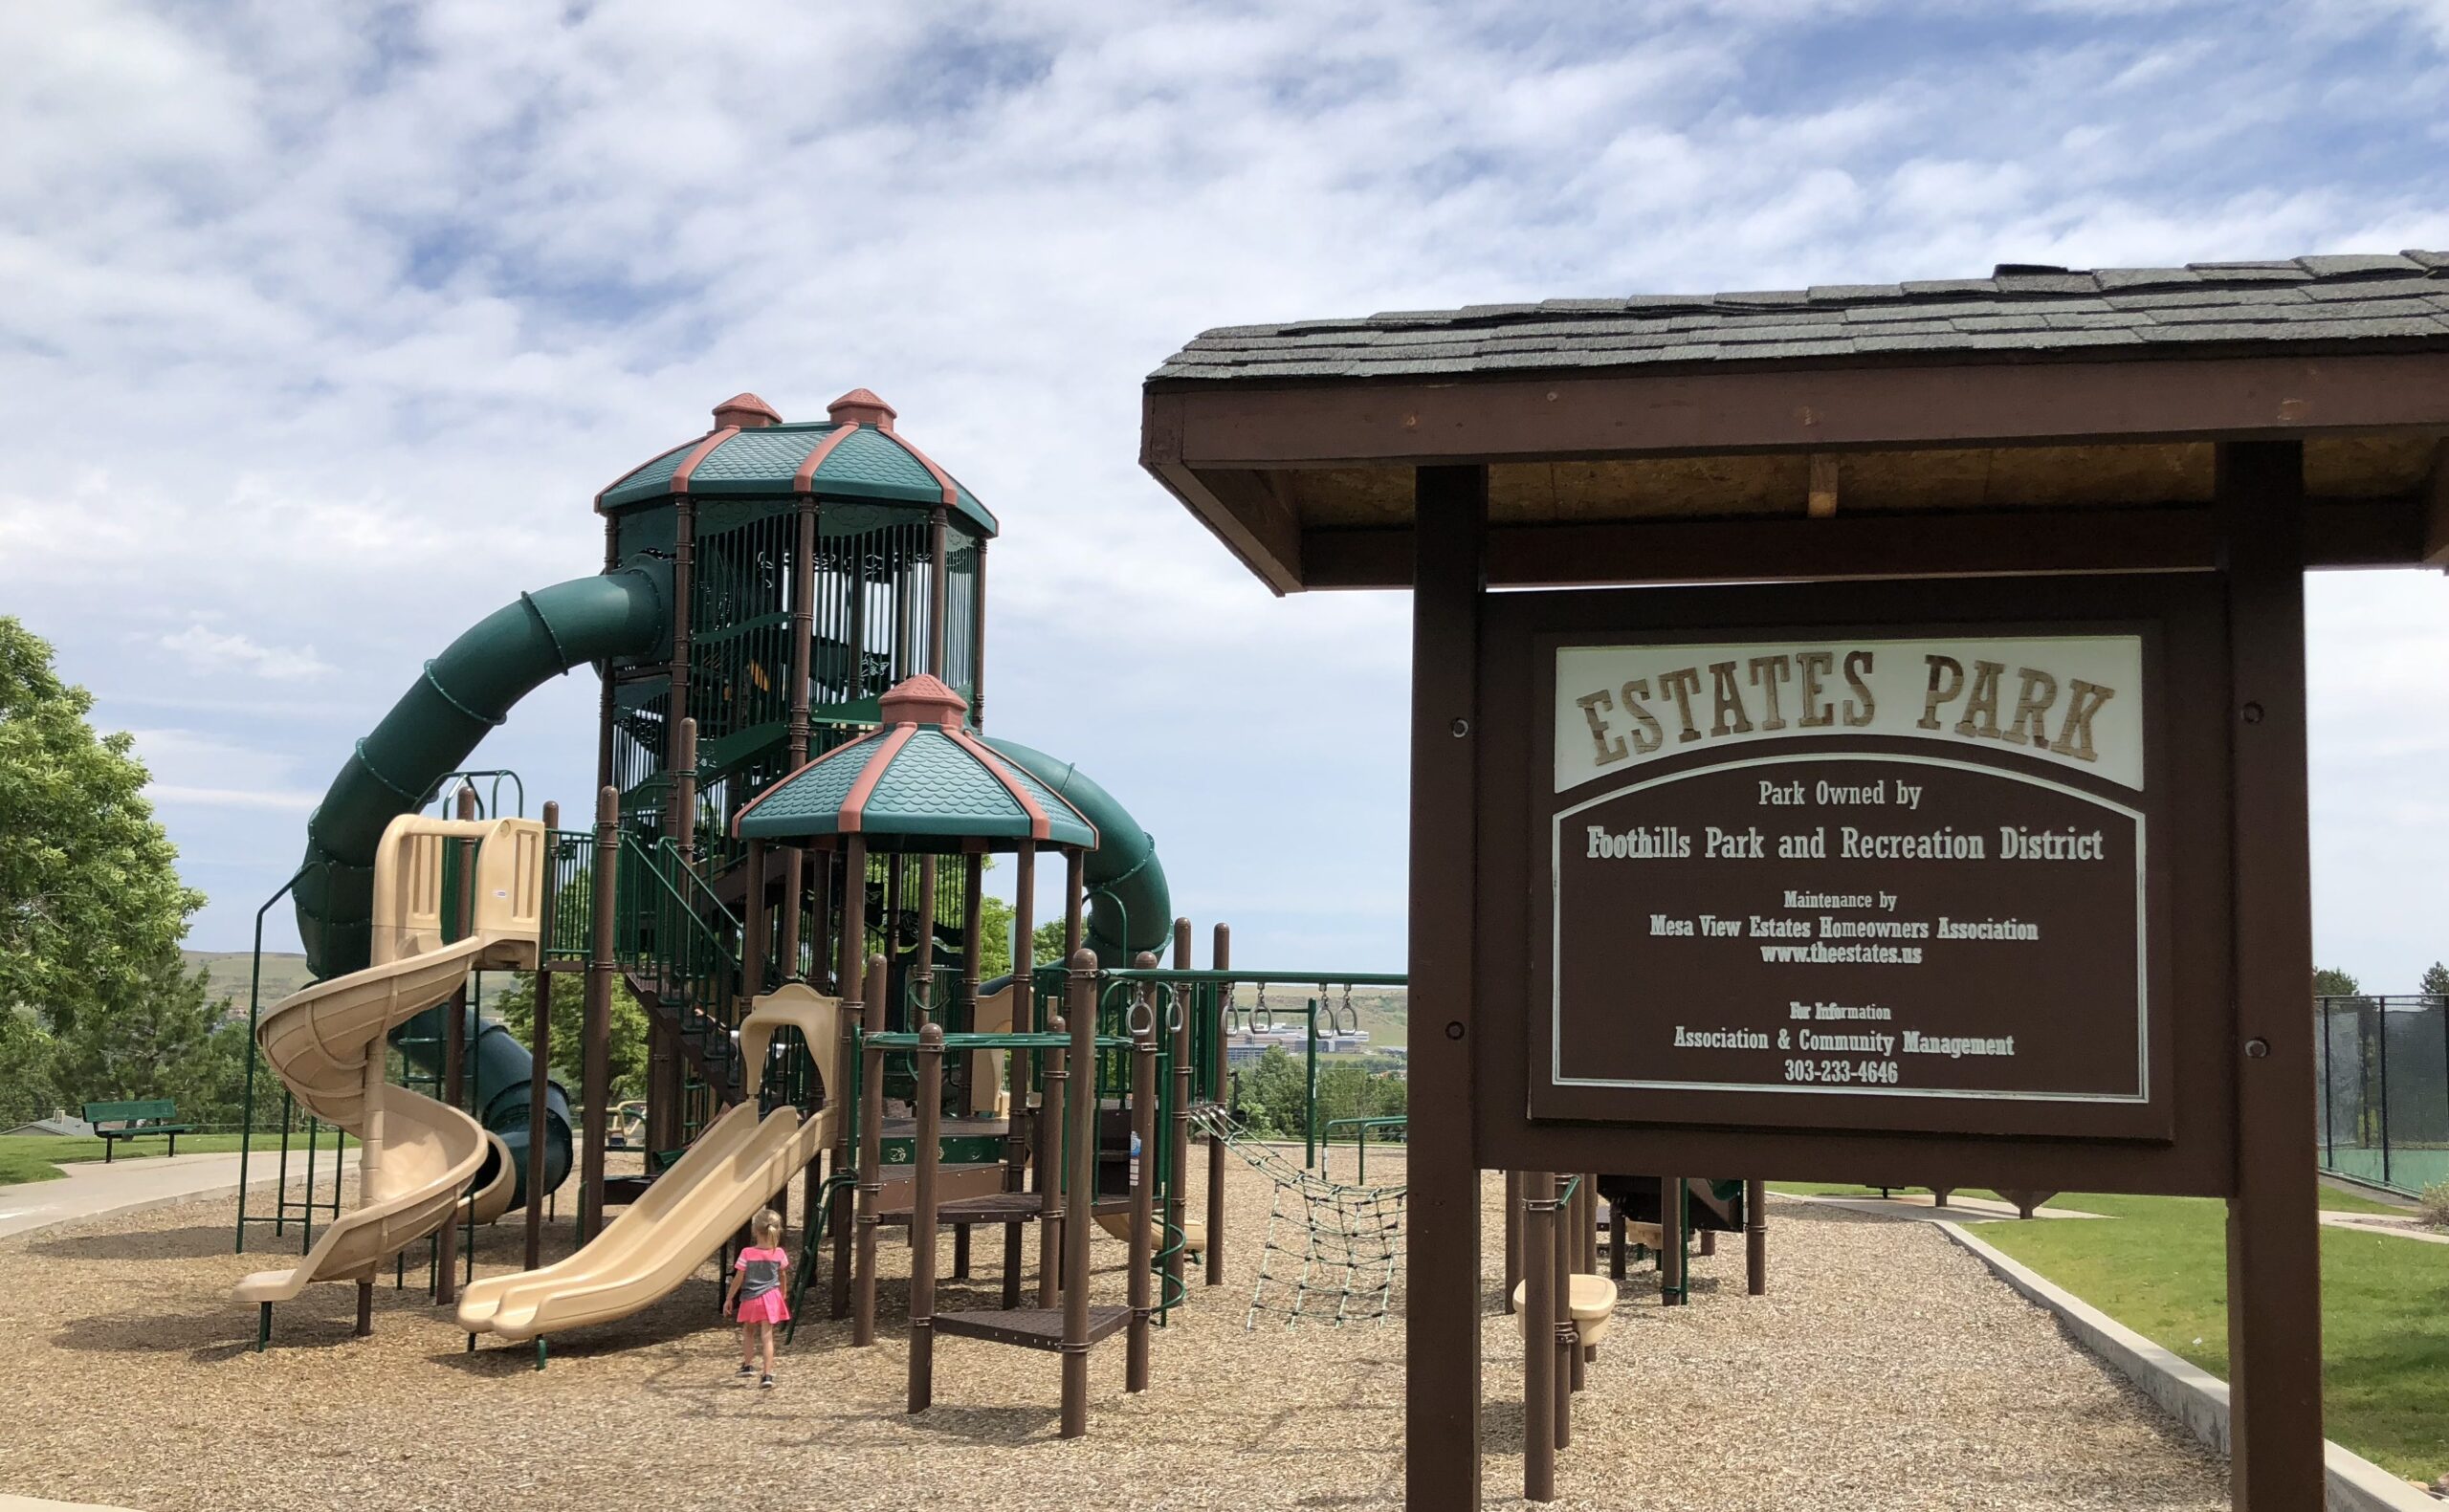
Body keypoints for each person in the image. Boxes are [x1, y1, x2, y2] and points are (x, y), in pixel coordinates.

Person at [724, 1208, 790, 1388]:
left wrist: (729, 1298)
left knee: (748, 1331)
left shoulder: (747, 1253)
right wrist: (783, 1294)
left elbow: (739, 1277)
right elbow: (782, 1275)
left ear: (755, 1231)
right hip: (771, 1297)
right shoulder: (779, 1254)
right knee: (767, 1336)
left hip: (751, 1298)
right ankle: (767, 1375)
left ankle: (748, 1365)